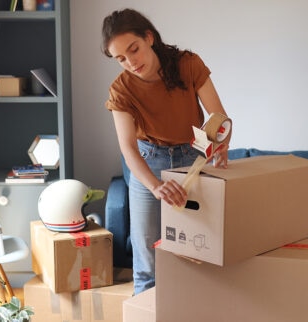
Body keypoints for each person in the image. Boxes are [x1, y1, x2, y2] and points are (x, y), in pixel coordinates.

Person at [102, 8, 231, 295]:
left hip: (193, 157)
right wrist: (156, 187)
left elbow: (217, 116)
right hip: (149, 163)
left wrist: (221, 142)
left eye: (133, 50)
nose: (130, 62)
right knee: (147, 262)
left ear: (149, 37)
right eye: (120, 59)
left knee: (201, 252)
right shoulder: (120, 90)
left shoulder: (187, 64)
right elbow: (128, 147)